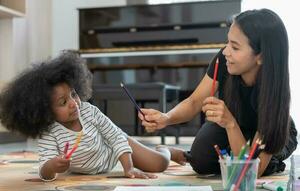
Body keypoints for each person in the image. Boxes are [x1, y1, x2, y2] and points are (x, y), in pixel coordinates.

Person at [139, 9, 298, 177]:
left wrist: (230, 124)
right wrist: (167, 118)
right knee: (201, 160)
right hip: (234, 120)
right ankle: (184, 154)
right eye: (228, 42)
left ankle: (270, 162)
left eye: (235, 47)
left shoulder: (272, 94)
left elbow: (250, 171)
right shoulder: (225, 60)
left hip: (269, 128)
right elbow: (194, 101)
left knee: (255, 165)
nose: (225, 51)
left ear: (261, 56)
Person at [0, 51, 171, 181]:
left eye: (74, 95)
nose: (74, 103)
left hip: (113, 147)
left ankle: (166, 150)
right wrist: (53, 165)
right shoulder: (49, 132)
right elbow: (45, 172)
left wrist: (128, 168)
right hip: (97, 159)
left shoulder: (89, 111)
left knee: (159, 164)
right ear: (45, 110)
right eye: (63, 102)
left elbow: (115, 136)